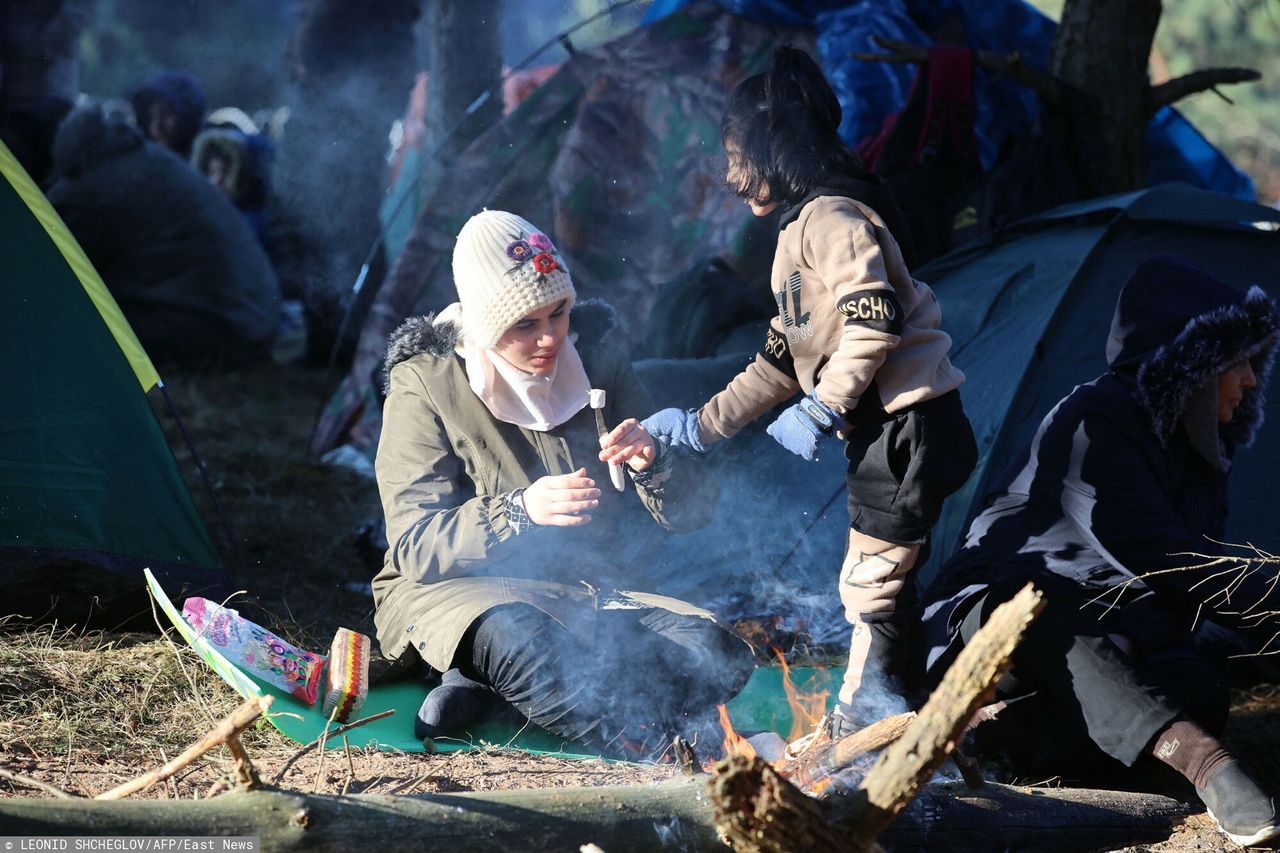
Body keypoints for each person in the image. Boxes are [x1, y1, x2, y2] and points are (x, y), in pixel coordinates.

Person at [644, 46, 977, 734]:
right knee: (887, 583)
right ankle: (901, 717)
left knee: (871, 585)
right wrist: (697, 425)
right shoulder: (803, 227)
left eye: (736, 152)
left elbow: (874, 320)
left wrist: (823, 405)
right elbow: (778, 357)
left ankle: (868, 724)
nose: (732, 174)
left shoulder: (832, 218)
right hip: (890, 430)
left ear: (773, 145)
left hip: (907, 424)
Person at [921, 255, 1280, 847]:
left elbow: (1195, 593)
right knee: (1031, 599)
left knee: (1199, 684)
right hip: (996, 633)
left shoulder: (1198, 453)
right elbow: (1179, 565)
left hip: (1105, 644)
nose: (1249, 381)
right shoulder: (1096, 420)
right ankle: (1203, 763)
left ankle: (999, 742)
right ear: (1192, 363)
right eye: (1237, 361)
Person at [372, 209, 755, 760]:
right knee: (523, 643)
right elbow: (415, 548)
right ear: (483, 324)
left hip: (580, 590)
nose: (551, 338)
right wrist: (520, 510)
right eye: (525, 324)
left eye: (559, 313)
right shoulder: (426, 383)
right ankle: (657, 751)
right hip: (461, 594)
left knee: (717, 653)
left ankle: (496, 693)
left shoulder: (594, 358)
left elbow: (692, 513)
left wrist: (654, 464)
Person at [46, 102, 280, 369]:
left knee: (83, 328)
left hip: (224, 330)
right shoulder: (150, 160)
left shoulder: (93, 187)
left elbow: (57, 277)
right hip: (253, 323)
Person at [131, 70, 207, 160]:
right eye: (150, 116)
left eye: (165, 114)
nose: (156, 125)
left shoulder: (208, 165)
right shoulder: (140, 164)